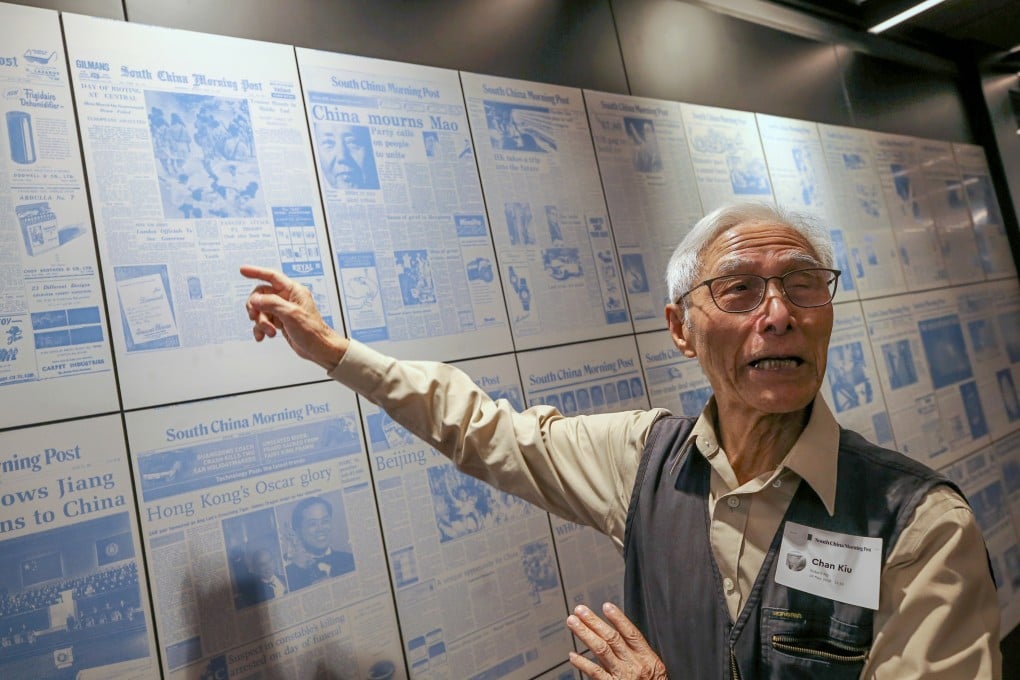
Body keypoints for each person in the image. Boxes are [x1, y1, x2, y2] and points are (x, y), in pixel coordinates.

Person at [242, 201, 1000, 679]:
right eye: (739, 288)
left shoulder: (918, 523)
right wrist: (336, 353)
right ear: (681, 330)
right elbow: (482, 428)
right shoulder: (645, 462)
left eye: (803, 284)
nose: (779, 313)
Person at [285, 496, 355, 590]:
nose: (320, 529)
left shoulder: (351, 559)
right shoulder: (289, 575)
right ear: (298, 531)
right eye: (312, 524)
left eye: (325, 521)